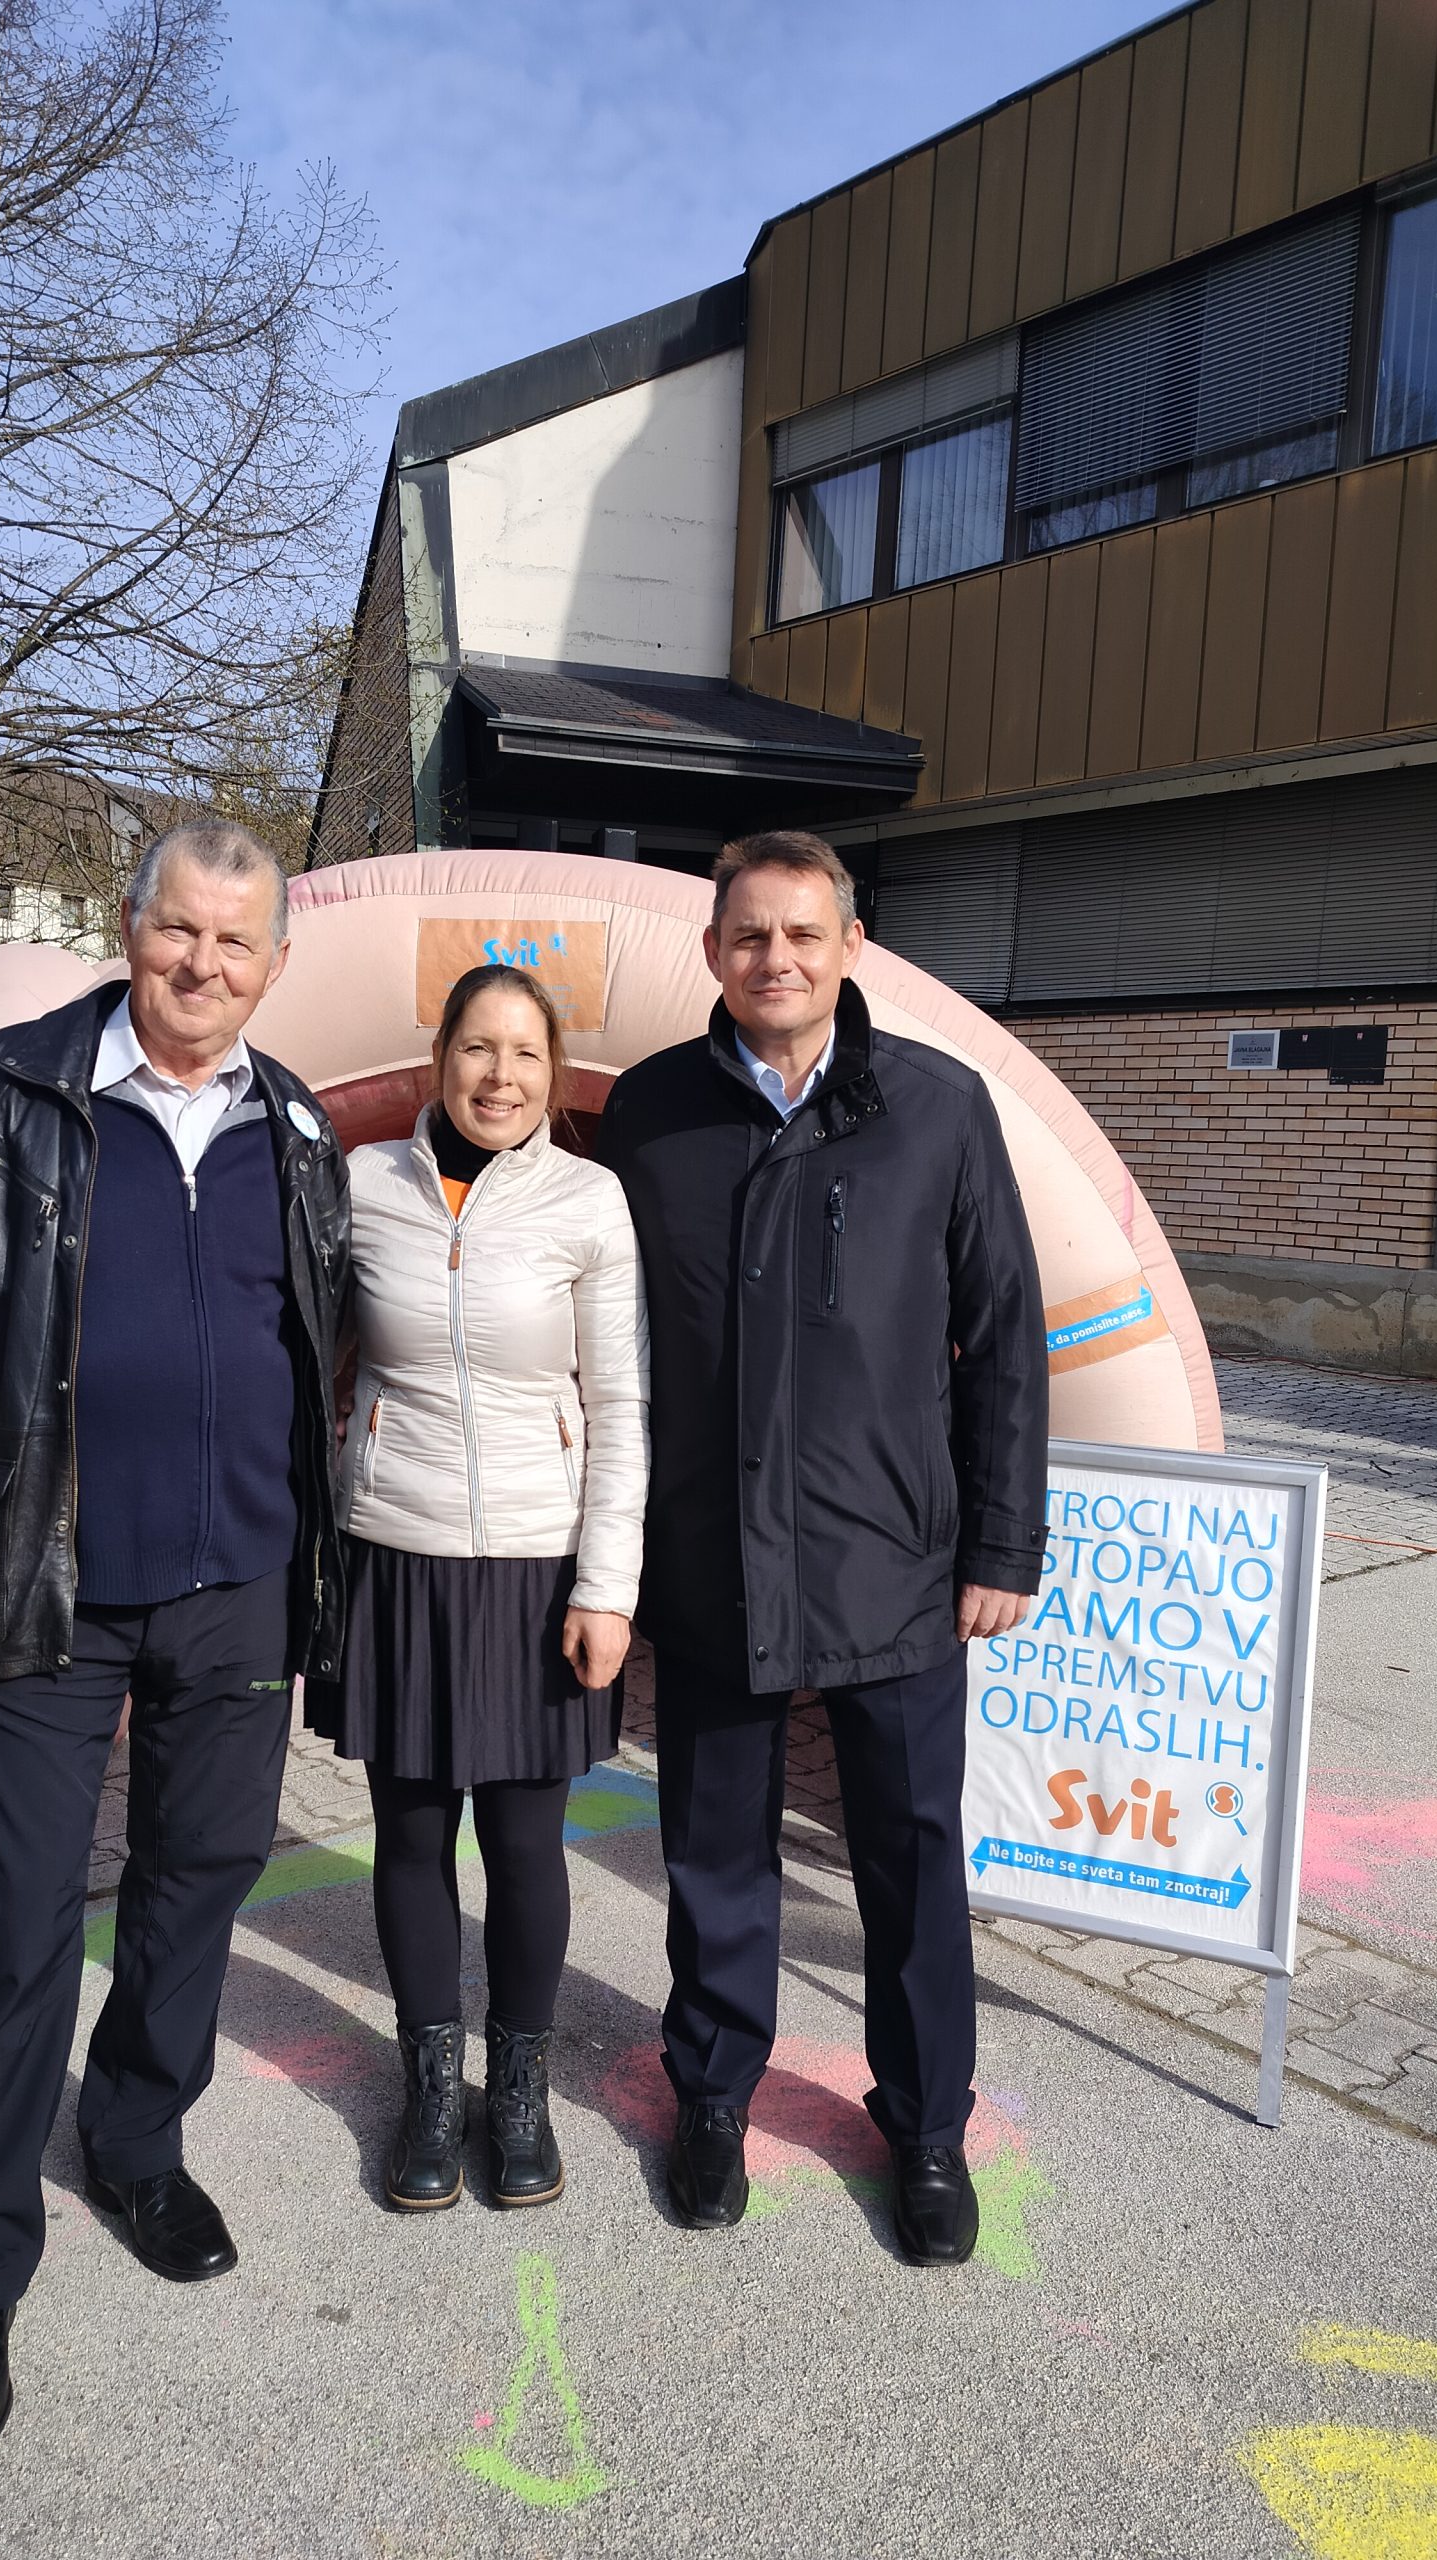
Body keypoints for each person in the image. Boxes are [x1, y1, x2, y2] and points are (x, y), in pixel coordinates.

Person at [0, 821, 348, 2457]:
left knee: (199, 1886)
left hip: (241, 1589)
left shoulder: (298, 1128)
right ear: (134, 929)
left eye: (236, 946)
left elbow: (327, 1344)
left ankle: (135, 2139)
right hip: (39, 1585)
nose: (203, 967)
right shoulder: (4, 1096)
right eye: (179, 933)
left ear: (275, 966)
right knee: (12, 1933)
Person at [600, 830, 1048, 2262]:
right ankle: (714, 2098)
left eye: (803, 935)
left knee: (910, 1867)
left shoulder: (936, 1108)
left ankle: (924, 2128)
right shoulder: (655, 1111)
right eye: (749, 937)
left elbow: (1006, 1345)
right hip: (714, 1560)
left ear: (851, 946)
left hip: (895, 1563)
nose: (775, 960)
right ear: (713, 950)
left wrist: (1002, 1541)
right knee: (714, 1855)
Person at [307, 964, 649, 2212]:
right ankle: (426, 2089)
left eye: (524, 1053)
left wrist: (606, 1585)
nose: (499, 1076)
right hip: (394, 1549)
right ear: (438, 1055)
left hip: (534, 1563)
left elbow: (622, 1407)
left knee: (521, 1840)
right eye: (476, 1049)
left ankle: (517, 2098)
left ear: (551, 1073)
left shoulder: (589, 1202)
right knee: (408, 1833)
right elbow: (308, 1363)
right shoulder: (360, 1188)